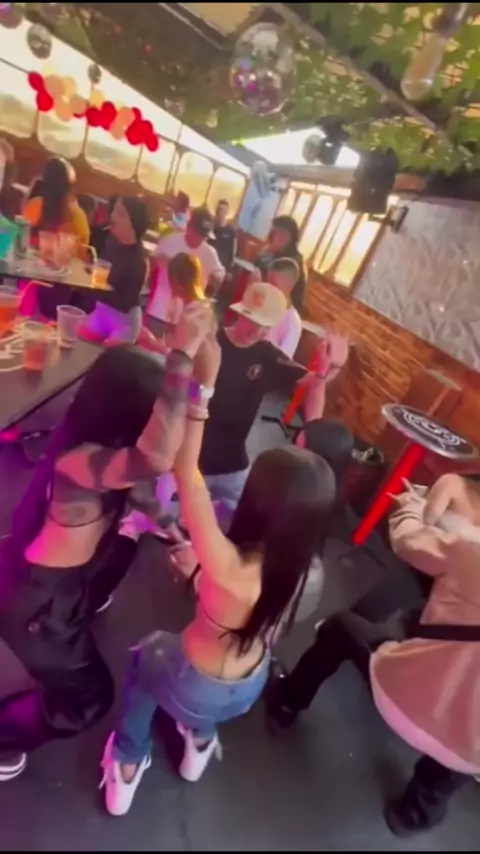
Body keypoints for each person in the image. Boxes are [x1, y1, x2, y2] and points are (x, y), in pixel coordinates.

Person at [100, 329, 338, 813]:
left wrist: (203, 387)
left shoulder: (227, 562)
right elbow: (314, 478)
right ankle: (200, 743)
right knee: (207, 702)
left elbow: (186, 471)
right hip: (247, 688)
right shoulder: (310, 572)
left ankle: (125, 764)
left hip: (190, 678)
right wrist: (324, 375)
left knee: (146, 662)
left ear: (260, 501)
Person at [0, 303, 214, 781]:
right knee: (90, 699)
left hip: (56, 582)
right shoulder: (80, 462)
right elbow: (154, 459)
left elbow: (141, 493)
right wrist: (182, 355)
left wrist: (176, 532)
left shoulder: (99, 448)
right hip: (37, 606)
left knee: (123, 549)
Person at [268, 476, 480, 837]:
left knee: (341, 627)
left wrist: (411, 507)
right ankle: (414, 813)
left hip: (402, 698)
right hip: (467, 751)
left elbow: (407, 541)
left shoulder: (470, 553)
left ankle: (286, 702)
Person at [155, 282, 341, 524]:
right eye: (252, 321)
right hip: (190, 455)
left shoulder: (268, 355)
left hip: (232, 463)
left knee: (243, 519)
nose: (257, 331)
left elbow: (310, 380)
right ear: (240, 312)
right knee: (163, 520)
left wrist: (330, 365)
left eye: (265, 326)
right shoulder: (210, 342)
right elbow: (172, 382)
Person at [145, 207, 225, 337]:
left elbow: (218, 279)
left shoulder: (209, 253)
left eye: (204, 236)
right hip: (159, 311)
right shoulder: (171, 241)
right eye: (197, 233)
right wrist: (161, 262)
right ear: (188, 227)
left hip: (186, 318)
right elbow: (151, 265)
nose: (200, 239)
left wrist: (208, 279)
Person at [82, 196, 149, 344]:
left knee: (107, 356)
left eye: (120, 214)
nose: (112, 216)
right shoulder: (110, 242)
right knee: (76, 338)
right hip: (101, 312)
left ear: (133, 224)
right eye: (114, 211)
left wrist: (88, 287)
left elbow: (124, 304)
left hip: (124, 323)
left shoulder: (139, 262)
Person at [23, 157, 90, 247]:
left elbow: (22, 238)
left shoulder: (34, 205)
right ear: (69, 187)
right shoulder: (78, 217)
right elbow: (83, 248)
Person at [254, 215, 306, 313]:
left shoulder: (290, 263)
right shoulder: (275, 253)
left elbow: (271, 291)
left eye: (273, 234)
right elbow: (256, 266)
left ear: (285, 238)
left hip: (280, 314)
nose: (269, 238)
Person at [266, 257, 302, 358]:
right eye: (267, 282)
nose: (268, 288)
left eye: (274, 285)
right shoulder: (264, 303)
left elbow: (282, 360)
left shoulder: (292, 322)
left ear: (289, 287)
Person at [210, 198, 237, 272]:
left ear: (227, 212)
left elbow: (233, 251)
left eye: (222, 210)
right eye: (218, 209)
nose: (220, 212)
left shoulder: (231, 231)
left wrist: (229, 269)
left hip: (221, 266)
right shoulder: (211, 227)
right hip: (209, 260)